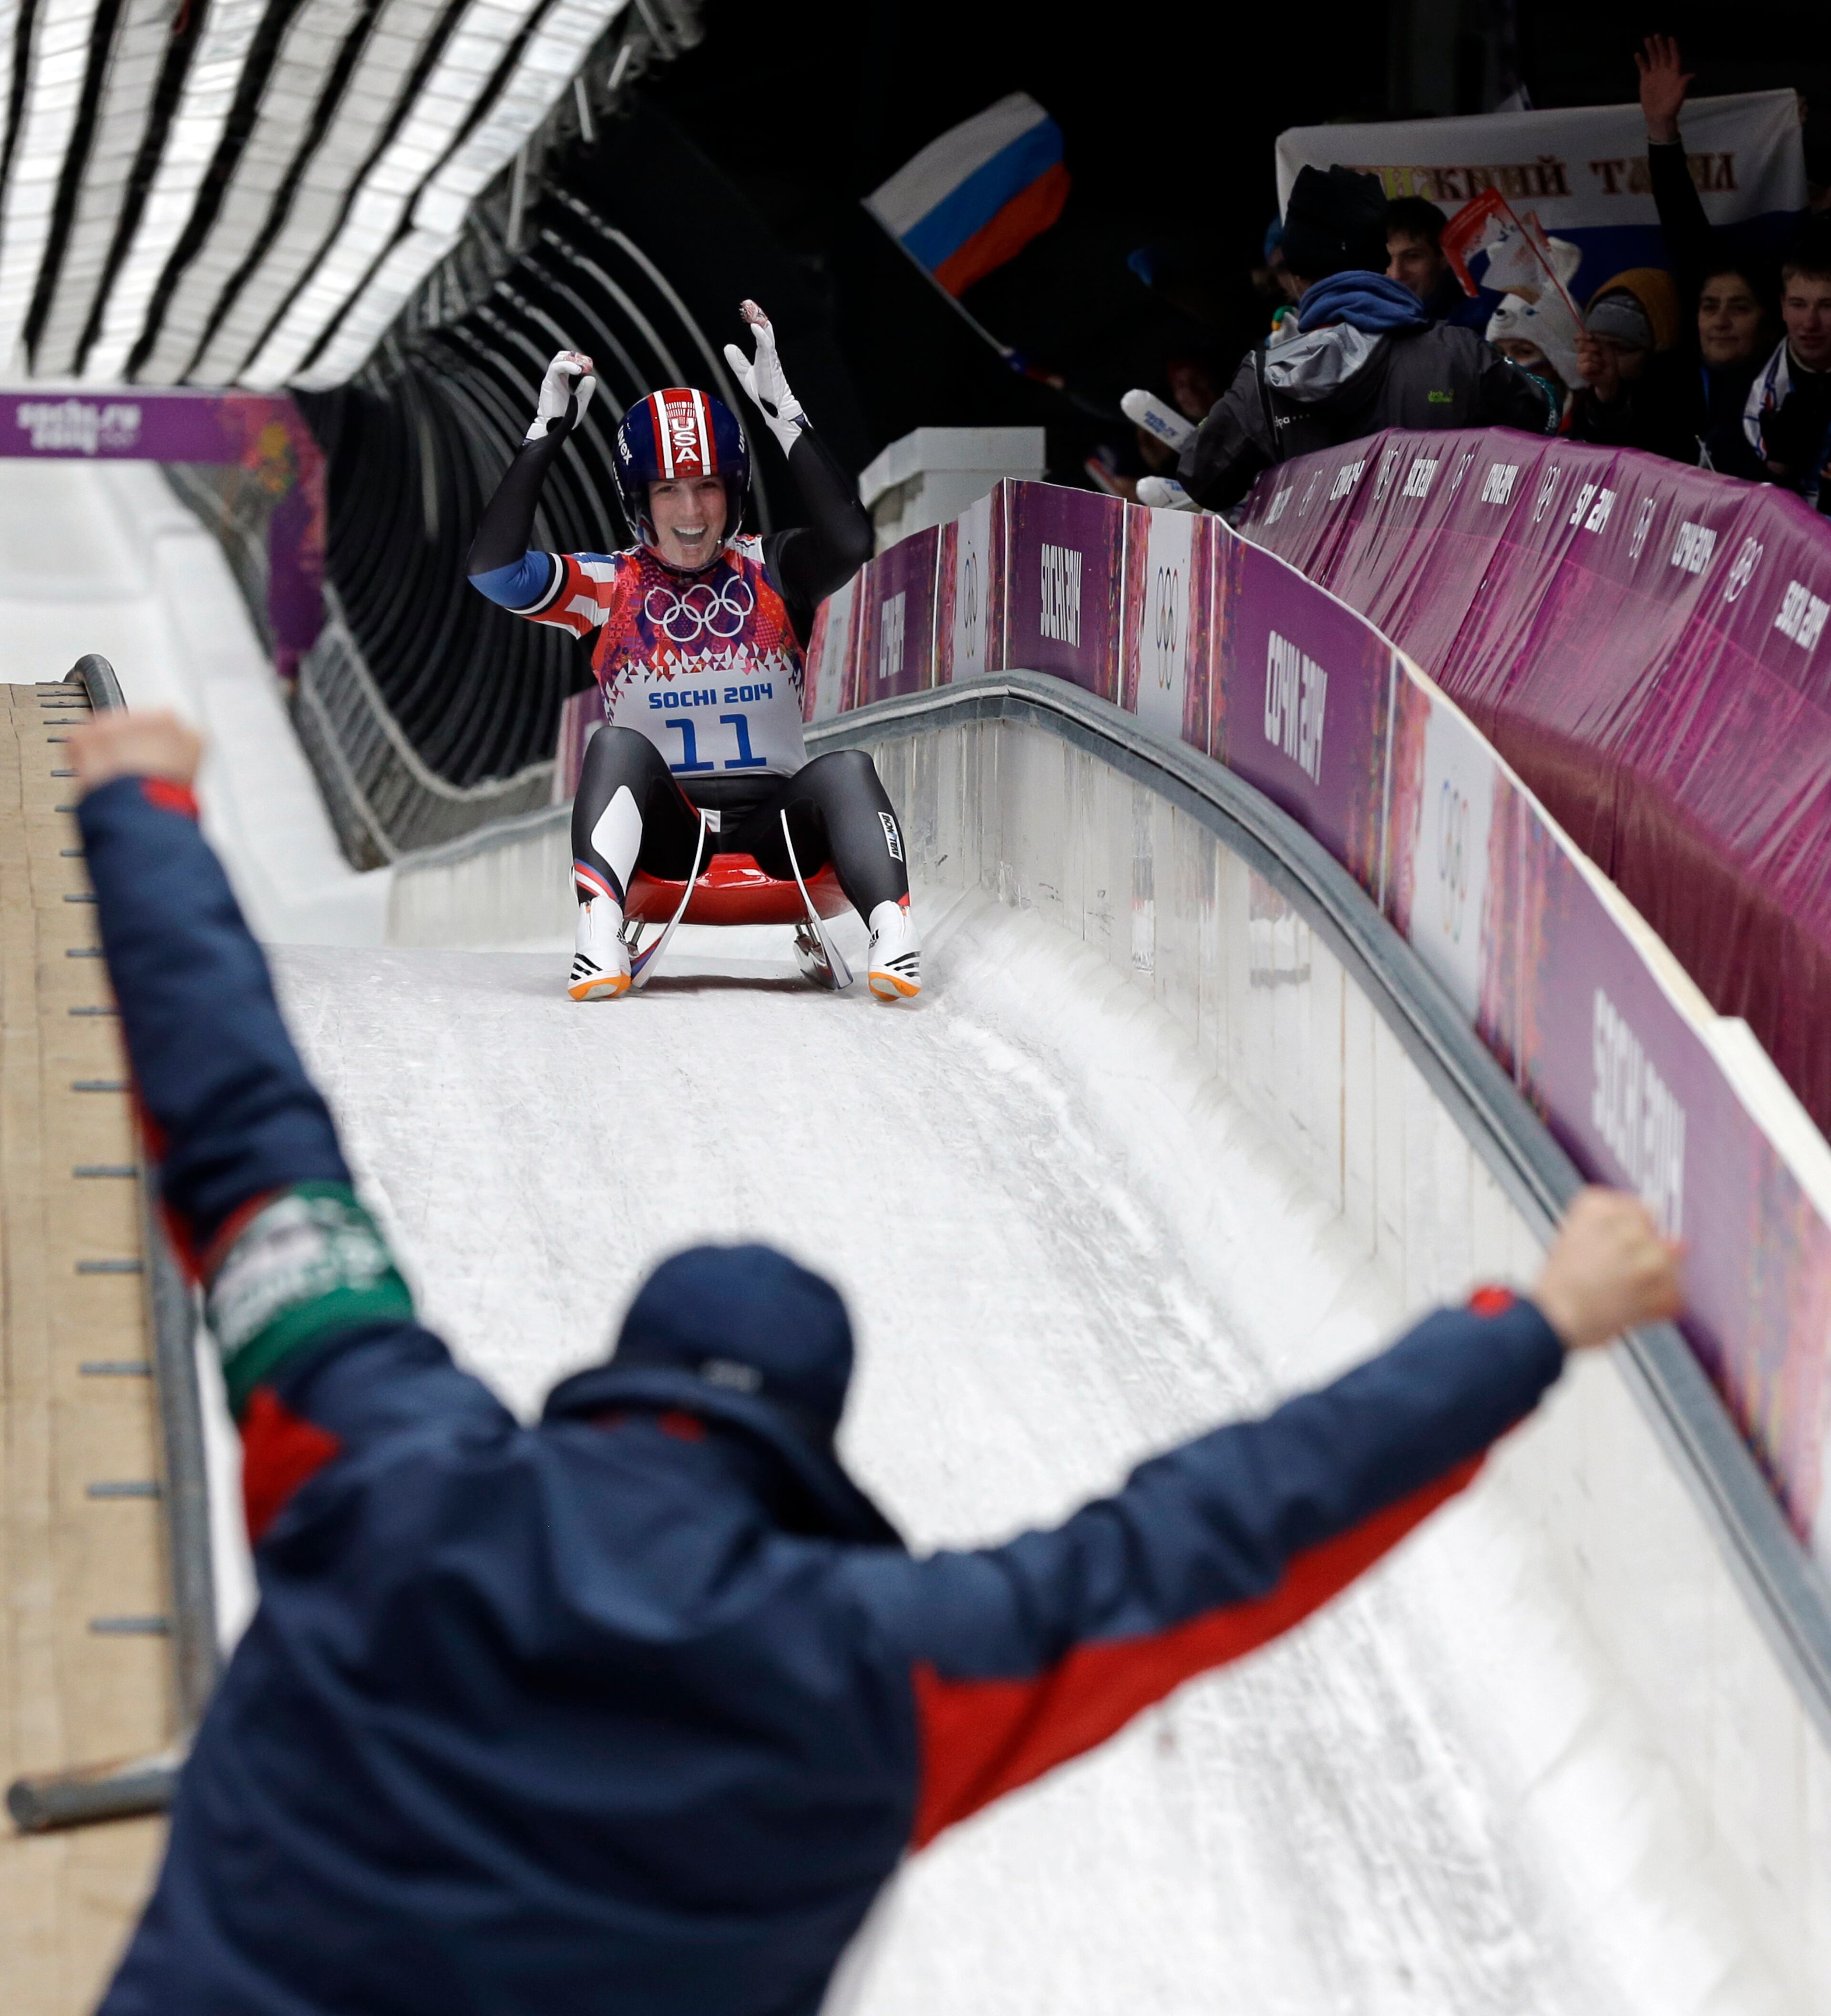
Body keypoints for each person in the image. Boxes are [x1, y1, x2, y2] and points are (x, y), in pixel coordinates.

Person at [80, 705, 1685, 2016]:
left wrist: (147, 821)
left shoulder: (382, 1463)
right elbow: (1210, 1533)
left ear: (618, 1384)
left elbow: (255, 1157)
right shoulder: (865, 1665)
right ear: (804, 1463)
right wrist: (1527, 1327)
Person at [466, 302, 918, 1002]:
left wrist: (785, 417)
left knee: (848, 767)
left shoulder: (771, 567)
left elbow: (851, 542)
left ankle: (893, 934)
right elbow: (494, 572)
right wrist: (544, 439)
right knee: (612, 743)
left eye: (707, 486)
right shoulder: (607, 585)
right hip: (664, 833)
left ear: (732, 492)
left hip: (779, 833)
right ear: (638, 499)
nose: (691, 512)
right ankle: (598, 932)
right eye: (669, 489)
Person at [1181, 166, 1556, 512]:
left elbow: (1203, 481)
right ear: (1382, 262)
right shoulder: (1459, 353)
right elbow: (1543, 418)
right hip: (1443, 580)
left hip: (1310, 582)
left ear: (1295, 276)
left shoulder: (1265, 378)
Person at [1570, 37, 1775, 466]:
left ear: (1769, 317)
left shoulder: (1785, 390)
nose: (1720, 322)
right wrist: (1607, 394)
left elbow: (1686, 235)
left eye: (1739, 308)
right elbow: (1615, 460)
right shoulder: (1669, 384)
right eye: (1709, 306)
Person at [1744, 217, 1831, 508]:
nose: (1810, 323)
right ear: (1782, 306)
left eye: (1827, 306)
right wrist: (1777, 470)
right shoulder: (1749, 388)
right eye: (1798, 305)